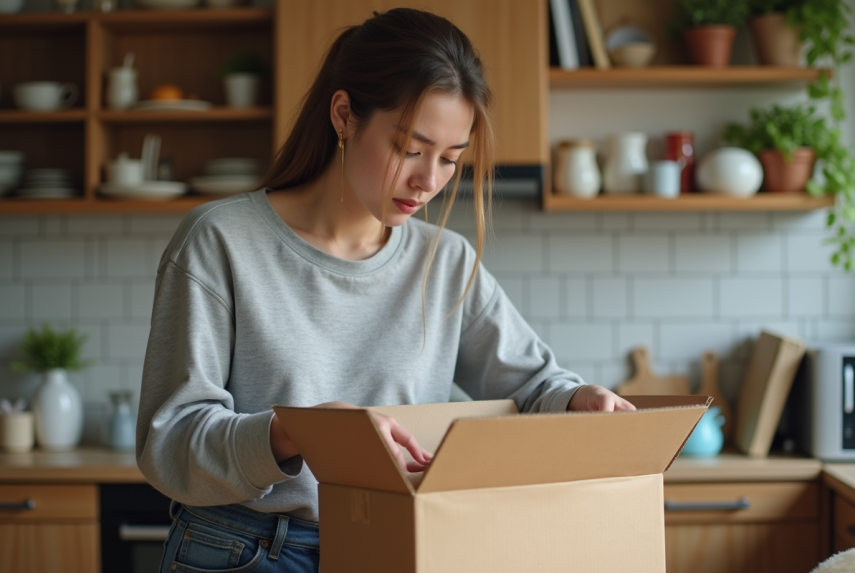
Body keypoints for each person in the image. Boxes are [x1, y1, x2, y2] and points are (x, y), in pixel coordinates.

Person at [136, 7, 634, 573]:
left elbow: (535, 383)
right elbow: (169, 445)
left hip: (395, 544)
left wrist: (578, 400)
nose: (430, 181)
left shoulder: (443, 261)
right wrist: (299, 431)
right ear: (345, 115)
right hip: (243, 548)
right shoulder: (220, 241)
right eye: (411, 148)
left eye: (450, 159)